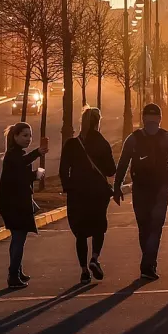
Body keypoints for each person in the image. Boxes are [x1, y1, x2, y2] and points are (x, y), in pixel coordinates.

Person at [113, 103, 168, 281]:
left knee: (144, 226)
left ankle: (148, 262)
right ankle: (148, 263)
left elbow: (123, 164)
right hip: (160, 188)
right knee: (156, 227)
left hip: (140, 187)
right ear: (159, 118)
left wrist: (117, 187)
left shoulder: (133, 139)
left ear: (143, 118)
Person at [59, 108, 116, 285]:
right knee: (99, 226)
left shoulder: (71, 144)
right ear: (98, 122)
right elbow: (110, 170)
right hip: (98, 192)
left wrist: (68, 186)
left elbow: (63, 169)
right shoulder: (102, 143)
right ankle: (95, 258)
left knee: (81, 232)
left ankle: (84, 271)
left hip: (77, 193)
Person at [0, 122, 49, 288]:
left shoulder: (17, 154)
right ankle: (13, 276)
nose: (28, 139)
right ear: (15, 137)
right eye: (24, 135)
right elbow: (21, 168)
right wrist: (37, 153)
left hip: (15, 203)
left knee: (17, 239)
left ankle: (16, 271)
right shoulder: (14, 156)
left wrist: (36, 175)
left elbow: (23, 176)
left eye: (30, 135)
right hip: (14, 205)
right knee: (19, 239)